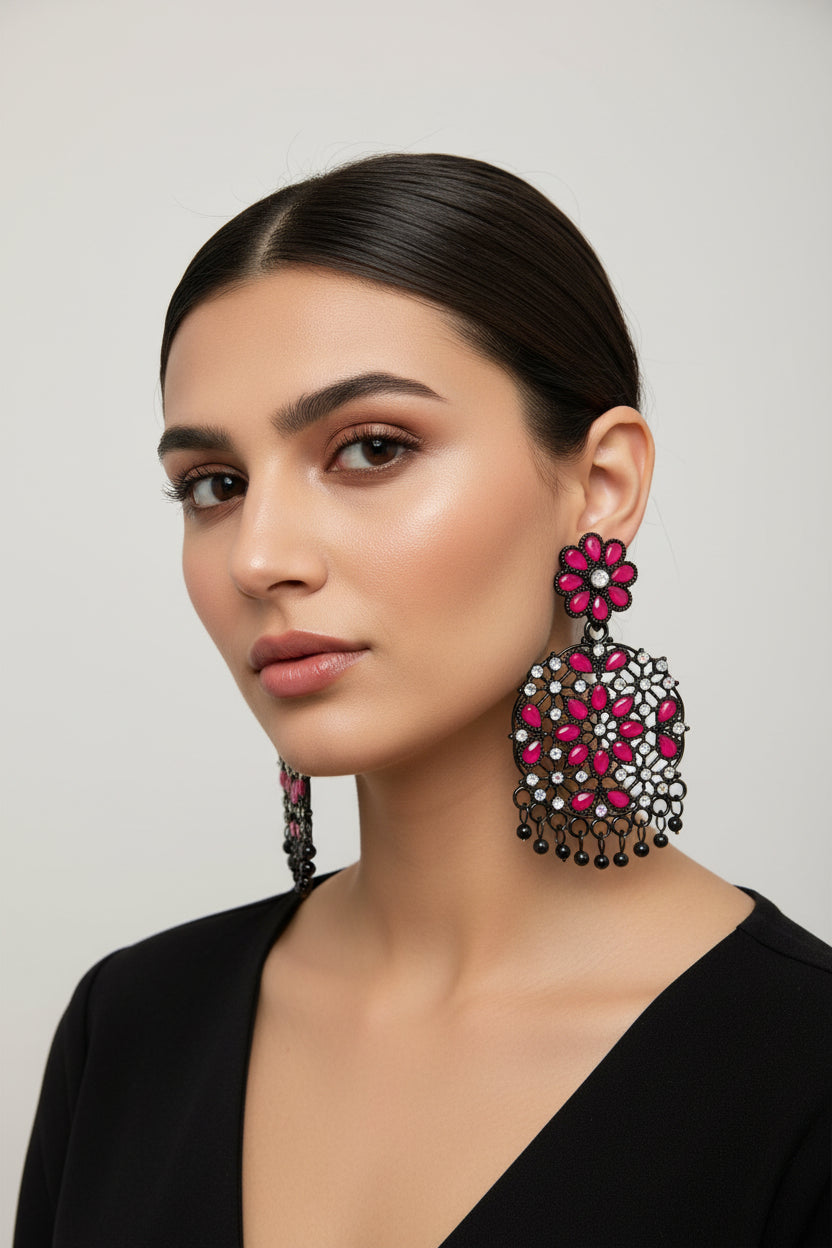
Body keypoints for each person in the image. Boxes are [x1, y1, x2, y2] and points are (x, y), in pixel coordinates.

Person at [14, 153, 831, 1248]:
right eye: (215, 484)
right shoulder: (130, 1026)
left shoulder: (799, 1072)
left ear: (600, 486)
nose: (259, 556)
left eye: (370, 449)